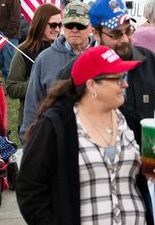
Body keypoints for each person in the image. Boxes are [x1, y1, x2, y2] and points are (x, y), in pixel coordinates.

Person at [16, 45, 148, 224]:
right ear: (92, 85)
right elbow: (29, 188)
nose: (125, 84)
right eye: (117, 78)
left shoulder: (130, 120)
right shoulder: (57, 125)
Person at [20, 1, 94, 139]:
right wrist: (28, 140)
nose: (74, 29)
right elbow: (33, 103)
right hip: (55, 138)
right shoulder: (44, 59)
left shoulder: (102, 56)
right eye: (69, 25)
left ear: (91, 28)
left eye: (80, 25)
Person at [6, 3, 62, 132]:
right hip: (33, 123)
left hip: (59, 121)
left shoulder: (64, 49)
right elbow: (12, 88)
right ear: (41, 24)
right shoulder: (24, 51)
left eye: (60, 25)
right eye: (53, 25)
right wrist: (37, 80)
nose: (57, 29)